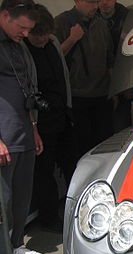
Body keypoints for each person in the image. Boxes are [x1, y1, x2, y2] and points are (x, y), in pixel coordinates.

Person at [0, 0, 47, 254]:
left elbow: (27, 90)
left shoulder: (17, 45)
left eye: (30, 30)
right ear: (5, 16)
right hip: (4, 138)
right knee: (2, 203)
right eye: (22, 27)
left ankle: (15, 245)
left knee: (20, 197)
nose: (26, 33)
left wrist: (34, 129)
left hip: (23, 134)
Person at [25, 4, 72, 233]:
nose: (42, 40)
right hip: (40, 121)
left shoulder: (52, 41)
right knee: (44, 173)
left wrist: (68, 107)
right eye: (38, 36)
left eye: (45, 35)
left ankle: (75, 211)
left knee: (71, 162)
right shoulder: (22, 49)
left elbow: (63, 77)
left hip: (61, 115)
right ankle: (49, 218)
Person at [54, 0, 114, 161]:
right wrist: (72, 39)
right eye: (90, 2)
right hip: (76, 96)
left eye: (97, 2)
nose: (95, 6)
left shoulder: (102, 23)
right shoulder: (62, 22)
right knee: (80, 148)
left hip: (102, 95)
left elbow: (110, 60)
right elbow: (52, 59)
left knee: (104, 146)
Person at [98, 0, 133, 132]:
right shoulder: (91, 16)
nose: (104, 3)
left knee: (121, 122)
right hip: (99, 78)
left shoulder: (128, 17)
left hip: (122, 76)